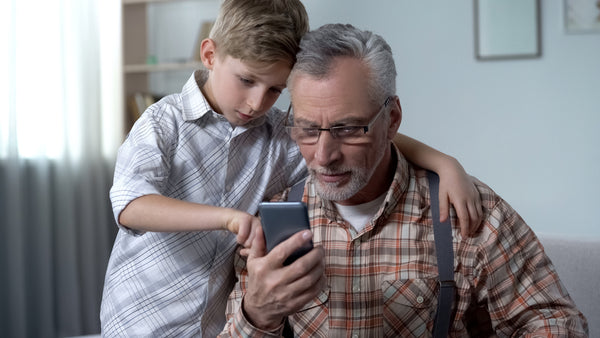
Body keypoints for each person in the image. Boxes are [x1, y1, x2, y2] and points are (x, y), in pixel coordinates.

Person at [100, 0, 482, 335]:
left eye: (274, 90)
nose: (256, 102)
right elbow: (132, 205)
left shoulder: (278, 137)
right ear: (210, 55)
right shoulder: (162, 122)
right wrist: (229, 219)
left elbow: (358, 131)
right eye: (247, 80)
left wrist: (442, 162)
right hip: (138, 320)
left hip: (216, 328)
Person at [220, 23, 589, 337]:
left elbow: (557, 322)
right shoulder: (273, 223)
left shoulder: (468, 213)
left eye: (348, 129)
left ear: (392, 118)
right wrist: (258, 313)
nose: (323, 155)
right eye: (307, 129)